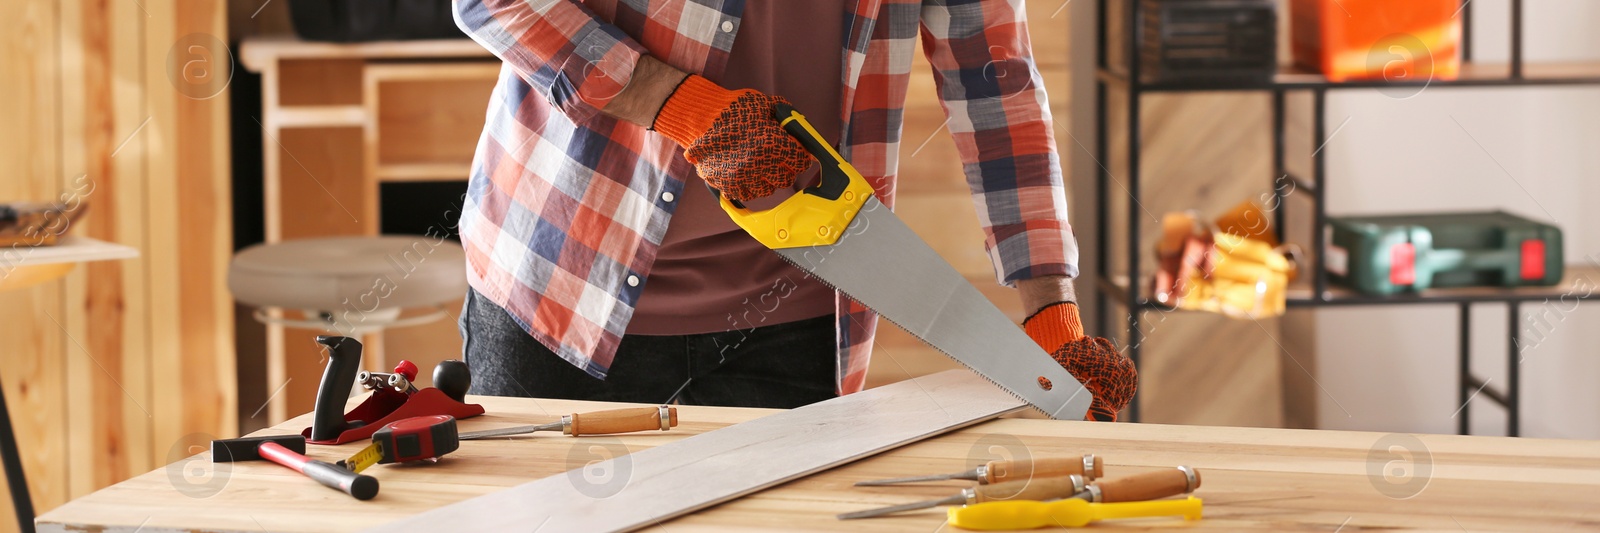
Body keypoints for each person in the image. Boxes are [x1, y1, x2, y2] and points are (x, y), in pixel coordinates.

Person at [451, 0, 1136, 420]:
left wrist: (1052, 316)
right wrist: (683, 107)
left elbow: (995, 79)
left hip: (793, 322)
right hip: (560, 291)